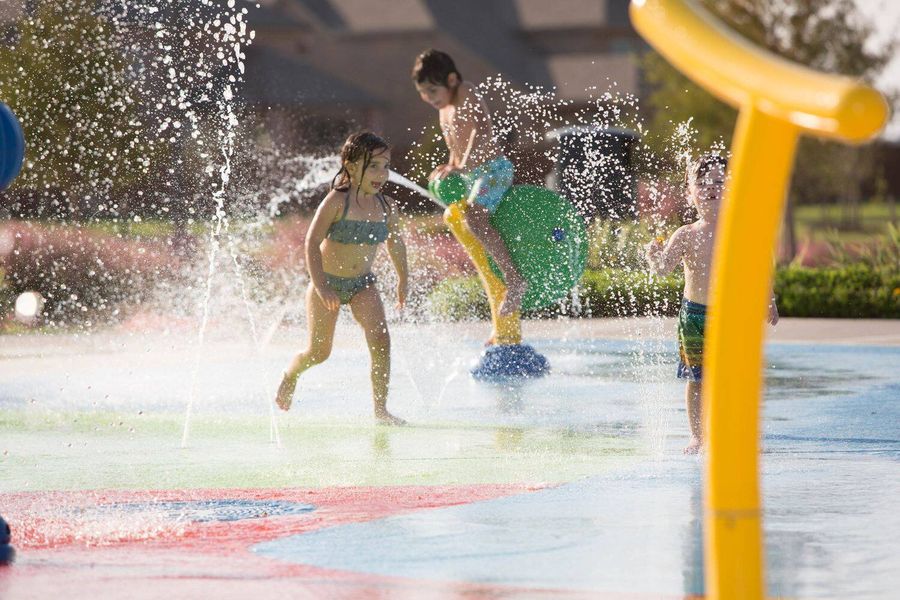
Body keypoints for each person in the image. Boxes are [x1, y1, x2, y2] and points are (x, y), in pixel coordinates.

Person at [645, 154, 778, 454]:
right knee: (697, 379)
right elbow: (664, 268)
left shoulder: (739, 228)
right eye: (702, 183)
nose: (710, 187)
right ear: (689, 191)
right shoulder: (686, 234)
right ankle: (698, 435)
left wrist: (768, 299)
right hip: (693, 316)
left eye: (719, 181)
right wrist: (654, 257)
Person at [275, 131, 408, 426]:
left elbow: (396, 244)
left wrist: (403, 278)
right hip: (328, 284)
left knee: (381, 339)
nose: (381, 174)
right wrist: (321, 285)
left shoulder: (386, 207)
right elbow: (311, 242)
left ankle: (381, 411)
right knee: (319, 352)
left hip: (363, 285)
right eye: (373, 166)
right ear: (350, 166)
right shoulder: (338, 201)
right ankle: (291, 374)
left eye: (385, 166)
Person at [412, 49, 526, 317]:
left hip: (494, 170)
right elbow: (455, 143)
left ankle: (515, 280)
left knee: (474, 218)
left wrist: (462, 164)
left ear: (451, 80)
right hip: (473, 175)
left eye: (431, 90)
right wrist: (451, 164)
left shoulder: (465, 91)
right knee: (461, 219)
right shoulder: (444, 110)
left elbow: (478, 131)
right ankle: (498, 289)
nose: (427, 98)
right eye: (422, 92)